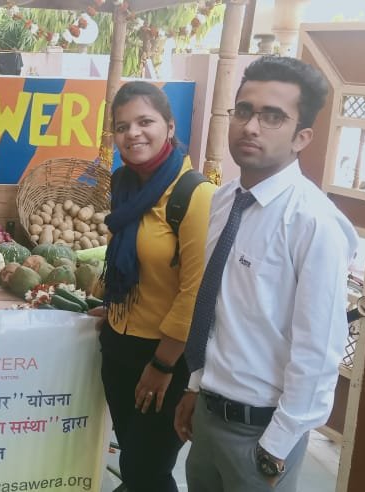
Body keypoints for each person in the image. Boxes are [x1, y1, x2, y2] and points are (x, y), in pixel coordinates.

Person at [175, 56, 358, 491]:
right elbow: (217, 308)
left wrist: (277, 445)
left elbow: (318, 349)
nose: (251, 127)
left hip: (262, 432)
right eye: (244, 110)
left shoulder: (314, 223)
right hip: (208, 414)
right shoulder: (224, 201)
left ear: (301, 137)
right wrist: (195, 385)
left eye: (273, 116)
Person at [90, 81, 216, 491]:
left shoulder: (195, 195)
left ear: (170, 126)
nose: (133, 133)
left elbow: (196, 292)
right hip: (118, 347)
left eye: (145, 121)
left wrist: (162, 366)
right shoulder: (124, 184)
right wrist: (115, 307)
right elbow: (133, 265)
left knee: (148, 470)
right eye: (122, 126)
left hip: (166, 357)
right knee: (134, 461)